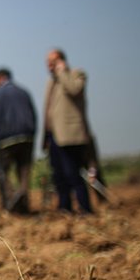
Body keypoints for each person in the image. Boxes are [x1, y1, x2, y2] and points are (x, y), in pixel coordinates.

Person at [42, 49, 93, 214]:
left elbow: (74, 90)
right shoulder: (51, 82)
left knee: (73, 173)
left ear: (62, 61)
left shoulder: (76, 74)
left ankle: (84, 208)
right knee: (59, 175)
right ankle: (64, 208)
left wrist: (63, 72)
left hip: (70, 135)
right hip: (54, 135)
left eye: (53, 61)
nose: (49, 65)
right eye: (48, 62)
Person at [0, 68, 37, 213]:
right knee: (24, 172)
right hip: (27, 137)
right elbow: (33, 115)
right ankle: (23, 203)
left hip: (7, 138)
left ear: (2, 78)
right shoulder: (24, 92)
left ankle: (10, 201)